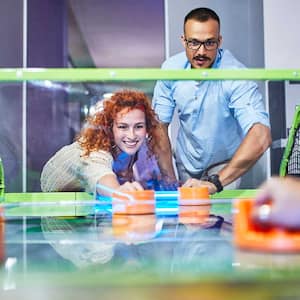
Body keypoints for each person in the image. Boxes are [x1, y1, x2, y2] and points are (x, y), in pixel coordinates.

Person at [152, 7, 271, 194]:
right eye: (194, 43)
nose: (201, 51)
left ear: (219, 41)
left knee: (218, 217)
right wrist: (170, 181)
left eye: (209, 43)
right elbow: (158, 127)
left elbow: (261, 135)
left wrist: (215, 183)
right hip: (186, 162)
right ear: (183, 41)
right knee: (190, 218)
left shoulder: (235, 75)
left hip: (224, 163)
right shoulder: (171, 69)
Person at [41, 89, 166, 196]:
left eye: (138, 126)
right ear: (110, 128)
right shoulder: (95, 150)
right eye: (123, 127)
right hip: (54, 201)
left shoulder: (135, 147)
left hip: (82, 204)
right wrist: (117, 192)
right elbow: (99, 173)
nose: (131, 135)